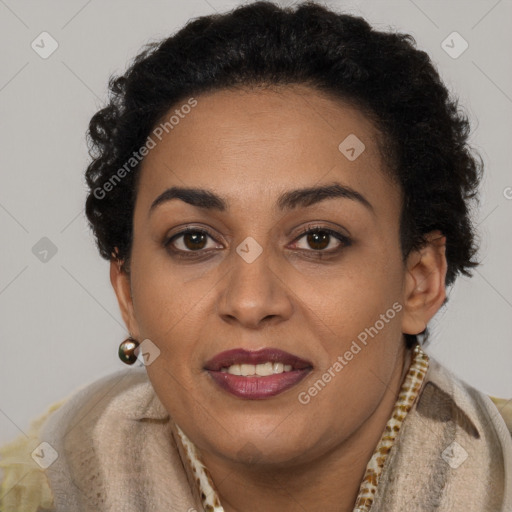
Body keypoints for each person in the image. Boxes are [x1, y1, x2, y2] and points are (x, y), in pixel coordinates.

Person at [1, 1, 511, 511]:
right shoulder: (27, 491)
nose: (250, 302)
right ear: (127, 290)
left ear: (419, 280)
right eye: (194, 240)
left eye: (317, 239)